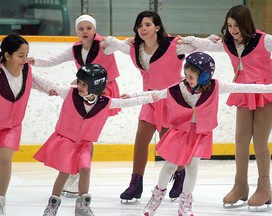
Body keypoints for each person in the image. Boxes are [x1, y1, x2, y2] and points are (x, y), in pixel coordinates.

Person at [137, 52, 272, 216]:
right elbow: (156, 94)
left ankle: (185, 202)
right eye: (186, 75)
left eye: (191, 76)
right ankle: (155, 198)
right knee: (170, 166)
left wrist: (271, 88)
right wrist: (132, 96)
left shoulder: (216, 87)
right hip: (180, 132)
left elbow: (244, 87)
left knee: (193, 166)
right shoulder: (179, 88)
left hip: (200, 133)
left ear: (204, 77)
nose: (187, 79)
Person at [178, 5, 272, 210]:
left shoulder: (264, 40)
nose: (233, 30)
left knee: (260, 140)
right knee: (241, 140)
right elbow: (207, 44)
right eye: (229, 25)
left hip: (267, 92)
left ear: (246, 23)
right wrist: (188, 40)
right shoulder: (228, 43)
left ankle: (264, 188)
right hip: (243, 91)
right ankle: (240, 186)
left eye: (236, 25)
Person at [101, 10, 218, 202]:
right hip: (149, 100)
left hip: (172, 103)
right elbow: (115, 43)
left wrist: (210, 39)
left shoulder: (174, 47)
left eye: (147, 24)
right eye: (140, 26)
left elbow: (199, 46)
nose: (143, 29)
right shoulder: (135, 48)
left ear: (157, 27)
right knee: (140, 141)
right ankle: (135, 184)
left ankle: (179, 178)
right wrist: (105, 40)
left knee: (171, 147)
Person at [33, 63, 161, 216]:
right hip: (67, 141)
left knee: (85, 170)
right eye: (79, 82)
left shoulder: (105, 103)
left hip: (85, 144)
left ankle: (82, 206)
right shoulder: (69, 93)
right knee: (64, 172)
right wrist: (28, 73)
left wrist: (151, 98)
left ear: (95, 86)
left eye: (84, 84)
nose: (79, 86)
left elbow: (126, 103)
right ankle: (52, 205)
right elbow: (48, 83)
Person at [28, 13, 121, 196]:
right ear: (76, 31)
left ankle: (78, 173)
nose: (85, 31)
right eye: (81, 28)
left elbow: (122, 47)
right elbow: (52, 60)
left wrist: (133, 44)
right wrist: (34, 61)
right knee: (80, 132)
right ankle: (75, 170)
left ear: (95, 30)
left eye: (89, 28)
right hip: (84, 90)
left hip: (104, 91)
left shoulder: (104, 45)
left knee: (87, 134)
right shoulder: (76, 49)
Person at [0, 34, 54, 216]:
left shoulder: (26, 70)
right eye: (21, 56)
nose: (25, 59)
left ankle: (0, 201)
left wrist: (54, 89)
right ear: (7, 56)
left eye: (27, 54)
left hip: (13, 126)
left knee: (5, 160)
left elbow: (40, 83)